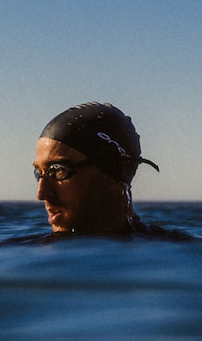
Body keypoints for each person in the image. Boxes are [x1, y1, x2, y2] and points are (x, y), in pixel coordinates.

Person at [25, 101, 184, 240]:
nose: (41, 194)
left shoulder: (176, 253)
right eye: (39, 173)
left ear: (111, 172)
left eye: (58, 171)